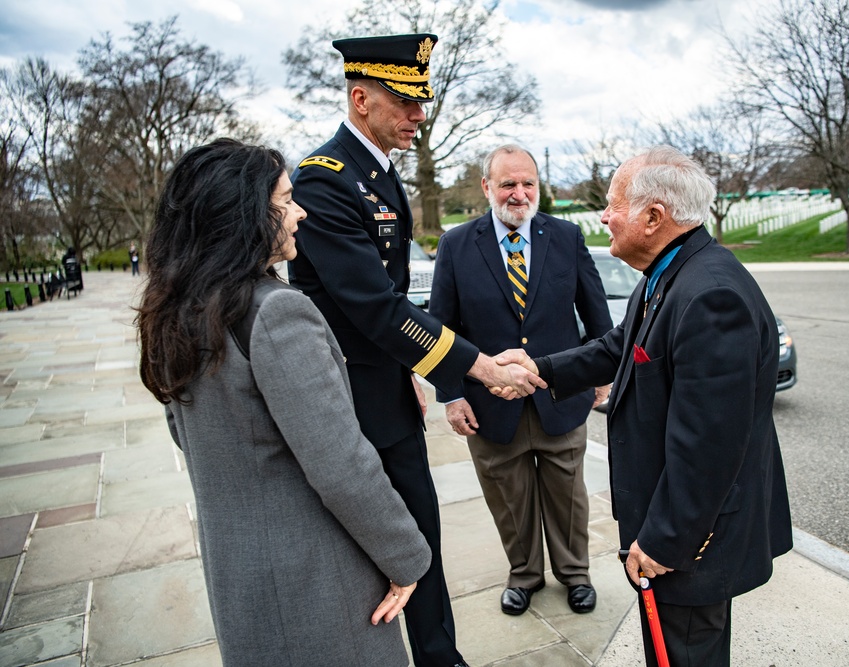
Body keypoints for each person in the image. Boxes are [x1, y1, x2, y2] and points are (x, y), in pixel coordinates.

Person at [287, 34, 542, 667]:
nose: (419, 116)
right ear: (360, 97)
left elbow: (394, 302)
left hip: (387, 395)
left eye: (420, 102)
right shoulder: (325, 180)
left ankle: (439, 657)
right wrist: (478, 367)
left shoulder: (376, 172)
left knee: (420, 539)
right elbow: (376, 307)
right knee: (366, 555)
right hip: (346, 404)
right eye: (404, 102)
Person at [136, 138, 432, 666]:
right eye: (285, 200)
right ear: (245, 216)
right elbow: (341, 463)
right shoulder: (277, 314)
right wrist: (407, 557)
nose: (299, 213)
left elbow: (188, 436)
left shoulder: (178, 311)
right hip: (315, 581)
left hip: (238, 572)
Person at [498, 146, 793, 666]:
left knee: (685, 652)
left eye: (613, 205)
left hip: (691, 542)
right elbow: (618, 348)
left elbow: (709, 447)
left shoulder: (710, 296)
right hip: (675, 529)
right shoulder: (670, 272)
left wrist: (663, 543)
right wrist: (539, 369)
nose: (603, 217)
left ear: (654, 217)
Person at [429, 144, 613, 616]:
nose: (519, 193)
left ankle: (575, 574)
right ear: (487, 187)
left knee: (568, 496)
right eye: (508, 183)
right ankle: (525, 574)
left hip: (561, 397)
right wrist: (451, 397)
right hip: (488, 405)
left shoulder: (567, 237)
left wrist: (600, 375)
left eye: (527, 182)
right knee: (508, 498)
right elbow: (440, 328)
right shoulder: (455, 244)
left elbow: (596, 316)